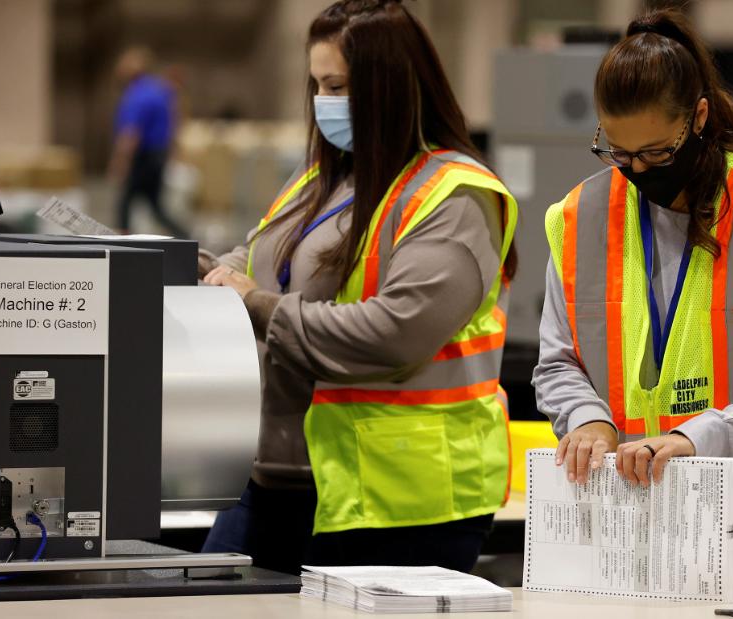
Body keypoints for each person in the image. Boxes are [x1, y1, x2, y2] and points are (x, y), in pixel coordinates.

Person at [200, 0, 518, 574]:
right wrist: (194, 268)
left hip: (397, 505)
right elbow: (260, 255)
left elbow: (392, 334)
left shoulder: (453, 197)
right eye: (318, 84)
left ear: (390, 87)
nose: (324, 101)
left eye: (338, 85)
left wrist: (252, 303)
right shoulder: (327, 176)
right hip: (278, 476)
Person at [533, 8, 733, 582]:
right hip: (634, 537)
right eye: (618, 154)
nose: (636, 171)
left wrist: (696, 437)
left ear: (698, 117)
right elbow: (558, 362)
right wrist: (585, 418)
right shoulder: (580, 218)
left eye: (655, 152)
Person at [109, 46, 188, 237]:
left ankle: (122, 242)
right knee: (155, 207)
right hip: (157, 156)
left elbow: (131, 132)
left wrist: (121, 162)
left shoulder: (138, 94)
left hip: (144, 157)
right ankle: (185, 237)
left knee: (125, 204)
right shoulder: (158, 90)